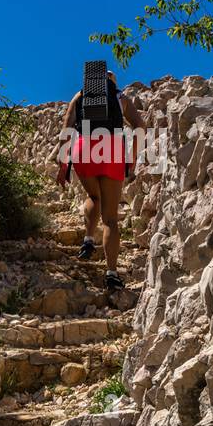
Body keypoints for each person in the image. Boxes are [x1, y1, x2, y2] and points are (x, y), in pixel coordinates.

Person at [55, 68, 145, 291]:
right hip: (112, 150)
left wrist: (63, 165)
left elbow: (67, 130)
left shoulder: (80, 95)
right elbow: (140, 127)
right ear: (112, 82)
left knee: (93, 195)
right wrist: (132, 159)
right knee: (111, 219)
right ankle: (112, 274)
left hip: (84, 149)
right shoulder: (120, 97)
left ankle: (87, 240)